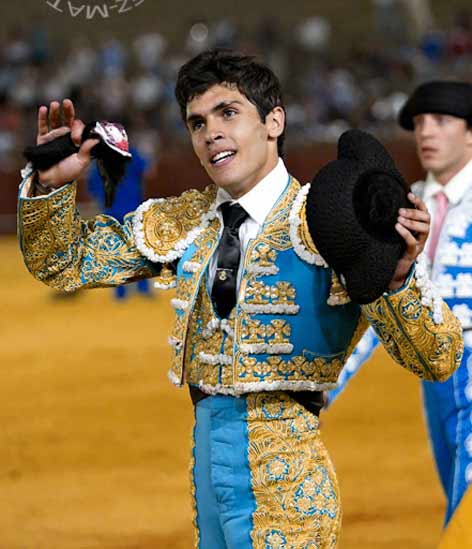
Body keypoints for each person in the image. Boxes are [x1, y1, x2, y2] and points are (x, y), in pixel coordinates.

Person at [17, 51, 463, 548]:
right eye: (197, 123)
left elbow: (438, 356)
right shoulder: (185, 220)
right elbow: (63, 261)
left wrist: (399, 277)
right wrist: (48, 188)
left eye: (228, 113)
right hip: (206, 466)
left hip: (288, 476)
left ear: (274, 121)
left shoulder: (333, 220)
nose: (211, 133)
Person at [328, 80, 472, 534]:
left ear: (470, 133)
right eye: (421, 123)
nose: (427, 132)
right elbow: (377, 304)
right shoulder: (402, 203)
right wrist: (326, 381)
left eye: (442, 121)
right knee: (455, 487)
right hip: (434, 372)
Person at [87, 144, 153, 300]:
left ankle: (120, 292)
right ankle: (142, 288)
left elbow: (93, 188)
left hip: (111, 210)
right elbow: (147, 171)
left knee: (115, 250)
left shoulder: (101, 160)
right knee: (139, 249)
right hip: (133, 207)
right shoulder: (131, 153)